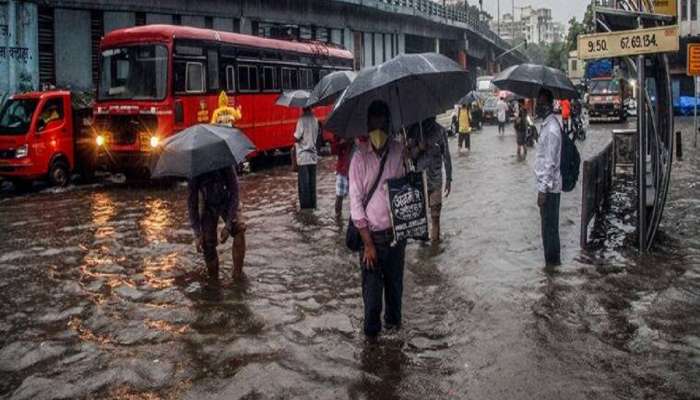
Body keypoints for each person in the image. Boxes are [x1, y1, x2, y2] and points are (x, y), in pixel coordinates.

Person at [349, 100, 406, 337]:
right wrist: (368, 245)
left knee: (395, 300)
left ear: (389, 123)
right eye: (375, 122)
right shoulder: (359, 160)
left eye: (383, 122)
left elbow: (408, 190)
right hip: (371, 241)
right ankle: (371, 355)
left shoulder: (399, 152)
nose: (379, 128)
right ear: (368, 125)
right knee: (372, 306)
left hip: (396, 240)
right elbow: (355, 207)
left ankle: (394, 357)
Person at [188, 167, 246, 282]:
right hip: (207, 204)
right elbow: (192, 204)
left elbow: (235, 193)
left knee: (239, 229)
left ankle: (237, 275)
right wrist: (197, 234)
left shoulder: (225, 163)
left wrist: (228, 226)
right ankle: (214, 281)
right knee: (206, 243)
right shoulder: (194, 171)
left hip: (228, 200)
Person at [407, 117, 452, 242]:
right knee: (421, 218)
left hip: (436, 178)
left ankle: (435, 246)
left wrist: (449, 179)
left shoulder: (440, 131)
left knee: (435, 215)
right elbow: (408, 156)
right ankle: (423, 244)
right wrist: (419, 148)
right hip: (419, 180)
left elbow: (446, 156)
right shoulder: (414, 131)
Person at [534, 89, 562, 267]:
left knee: (550, 230)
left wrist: (543, 190)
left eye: (541, 103)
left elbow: (550, 163)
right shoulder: (546, 126)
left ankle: (552, 266)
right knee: (547, 229)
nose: (537, 106)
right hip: (546, 187)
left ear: (549, 105)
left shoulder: (552, 129)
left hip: (550, 189)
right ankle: (551, 268)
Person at [294, 107, 319, 209]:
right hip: (313, 157)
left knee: (304, 187)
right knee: (312, 185)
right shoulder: (315, 120)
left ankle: (306, 211)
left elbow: (296, 137)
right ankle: (313, 206)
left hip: (303, 157)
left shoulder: (301, 120)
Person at [331, 137, 354, 218]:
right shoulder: (339, 134)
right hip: (342, 170)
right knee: (339, 195)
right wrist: (342, 143)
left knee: (356, 197)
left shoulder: (358, 133)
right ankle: (338, 217)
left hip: (355, 170)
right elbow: (333, 150)